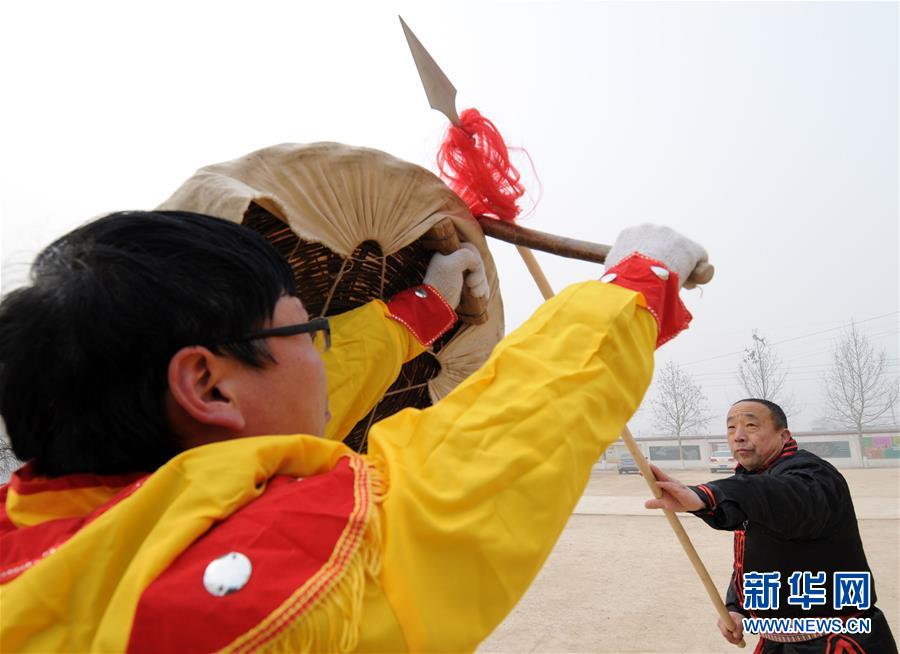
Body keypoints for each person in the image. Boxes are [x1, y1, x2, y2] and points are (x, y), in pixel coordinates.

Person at [0, 210, 706, 653]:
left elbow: (279, 405)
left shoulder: (34, 536)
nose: (321, 349)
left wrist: (420, 313)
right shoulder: (288, 572)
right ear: (207, 384)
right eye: (310, 327)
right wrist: (635, 289)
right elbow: (502, 438)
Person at [645, 399, 898, 653]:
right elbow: (757, 556)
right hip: (777, 642)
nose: (738, 437)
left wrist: (708, 496)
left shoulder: (812, 475)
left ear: (783, 435)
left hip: (836, 641)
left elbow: (780, 499)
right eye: (731, 428)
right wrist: (737, 609)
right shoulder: (750, 480)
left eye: (751, 425)